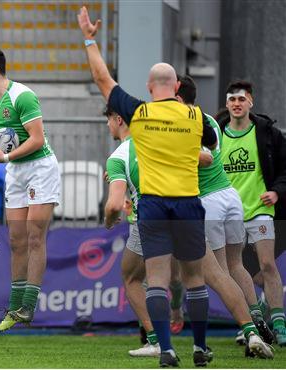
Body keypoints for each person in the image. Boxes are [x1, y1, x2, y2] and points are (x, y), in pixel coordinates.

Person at [78, 6, 217, 367]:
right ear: (177, 88)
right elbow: (210, 152)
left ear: (149, 88)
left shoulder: (139, 114)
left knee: (155, 280)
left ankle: (167, 350)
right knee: (194, 279)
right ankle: (200, 348)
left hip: (153, 205)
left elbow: (102, 80)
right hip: (189, 203)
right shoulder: (197, 117)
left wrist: (91, 38)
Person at [104, 108, 273, 360]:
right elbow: (204, 159)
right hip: (186, 213)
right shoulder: (162, 140)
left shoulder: (118, 157)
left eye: (107, 121)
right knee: (214, 275)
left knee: (135, 278)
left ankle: (158, 342)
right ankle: (249, 333)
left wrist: (109, 218)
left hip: (150, 220)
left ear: (118, 120)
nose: (107, 126)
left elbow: (114, 204)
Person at [176, 76, 276, 346]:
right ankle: (255, 317)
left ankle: (248, 327)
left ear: (177, 98)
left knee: (220, 273)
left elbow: (203, 157)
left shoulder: (185, 123)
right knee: (236, 265)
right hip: (230, 197)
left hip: (210, 202)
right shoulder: (209, 119)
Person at [0, 47, 60, 332]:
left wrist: (5, 156)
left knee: (35, 238)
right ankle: (14, 308)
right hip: (16, 171)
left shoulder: (22, 96)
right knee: (17, 240)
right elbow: (8, 139)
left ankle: (28, 307)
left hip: (40, 168)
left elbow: (36, 139)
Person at [217, 80, 286, 347]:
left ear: (250, 102)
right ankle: (254, 320)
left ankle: (279, 324)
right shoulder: (216, 135)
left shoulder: (268, 134)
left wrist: (277, 192)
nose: (236, 104)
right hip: (229, 214)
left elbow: (283, 168)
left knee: (267, 264)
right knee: (239, 270)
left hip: (260, 210)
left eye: (241, 99)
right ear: (227, 104)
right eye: (232, 99)